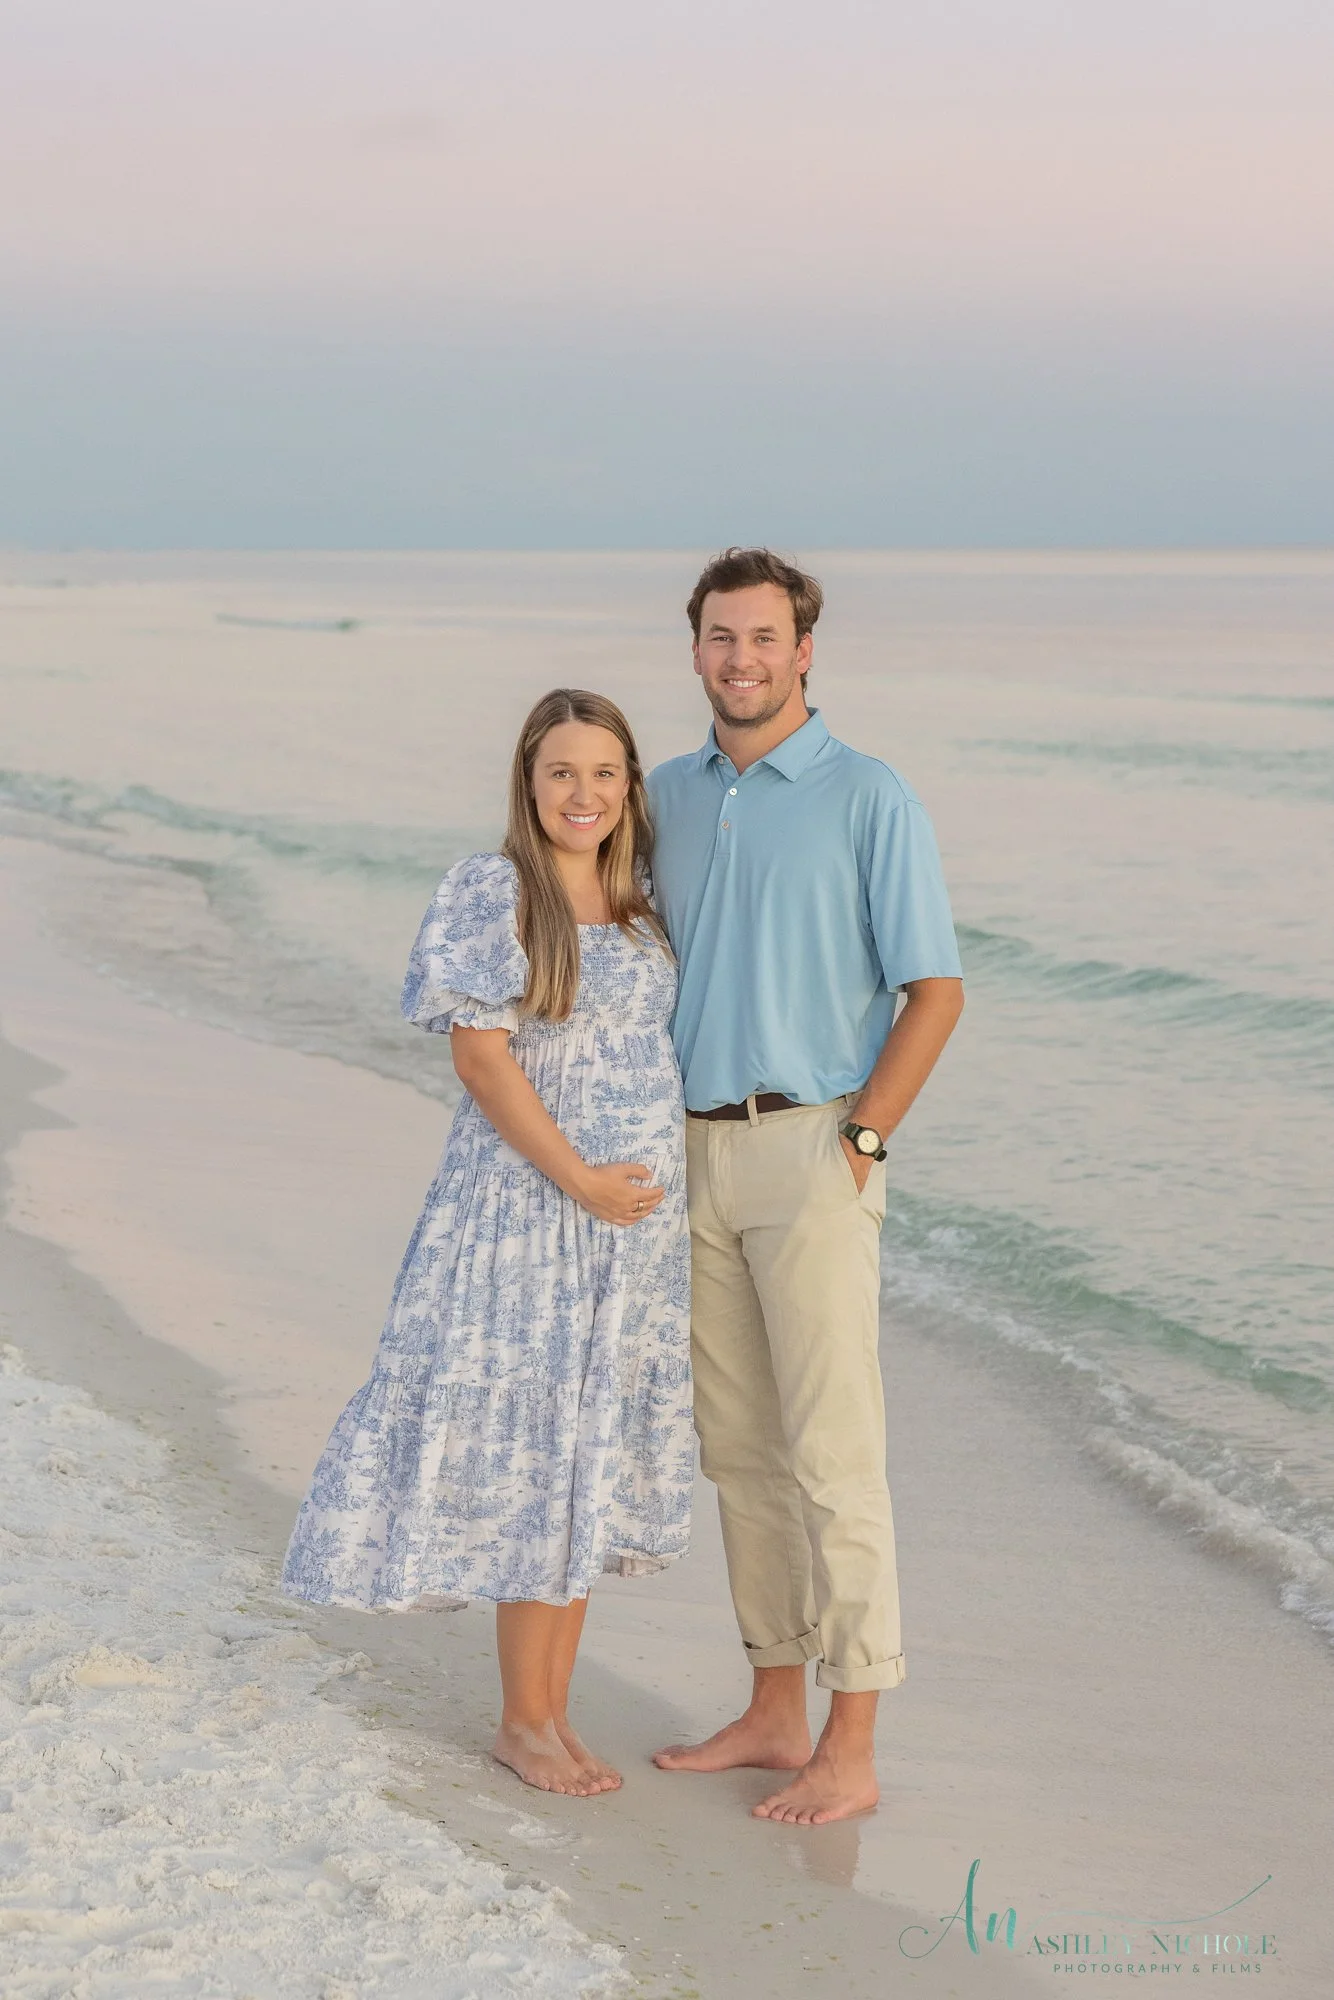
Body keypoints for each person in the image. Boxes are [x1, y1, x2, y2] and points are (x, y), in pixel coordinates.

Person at [281, 688, 694, 1798]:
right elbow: (480, 1058)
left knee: (585, 1455)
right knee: (532, 1445)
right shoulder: (493, 890)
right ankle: (521, 1721)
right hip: (528, 1216)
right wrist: (579, 1179)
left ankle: (551, 1711)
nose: (584, 793)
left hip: (632, 1236)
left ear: (629, 788)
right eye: (562, 770)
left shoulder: (642, 901)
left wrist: (633, 1192)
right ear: (527, 778)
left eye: (605, 773)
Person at [646, 548, 965, 1826]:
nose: (741, 658)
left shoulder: (865, 794)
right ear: (695, 650)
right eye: (720, 637)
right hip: (687, 1152)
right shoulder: (663, 793)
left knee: (835, 1453)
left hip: (812, 1148)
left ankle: (852, 1736)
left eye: (763, 637)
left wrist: (865, 1143)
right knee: (738, 1453)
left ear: (804, 649)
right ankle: (774, 1704)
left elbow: (932, 989)